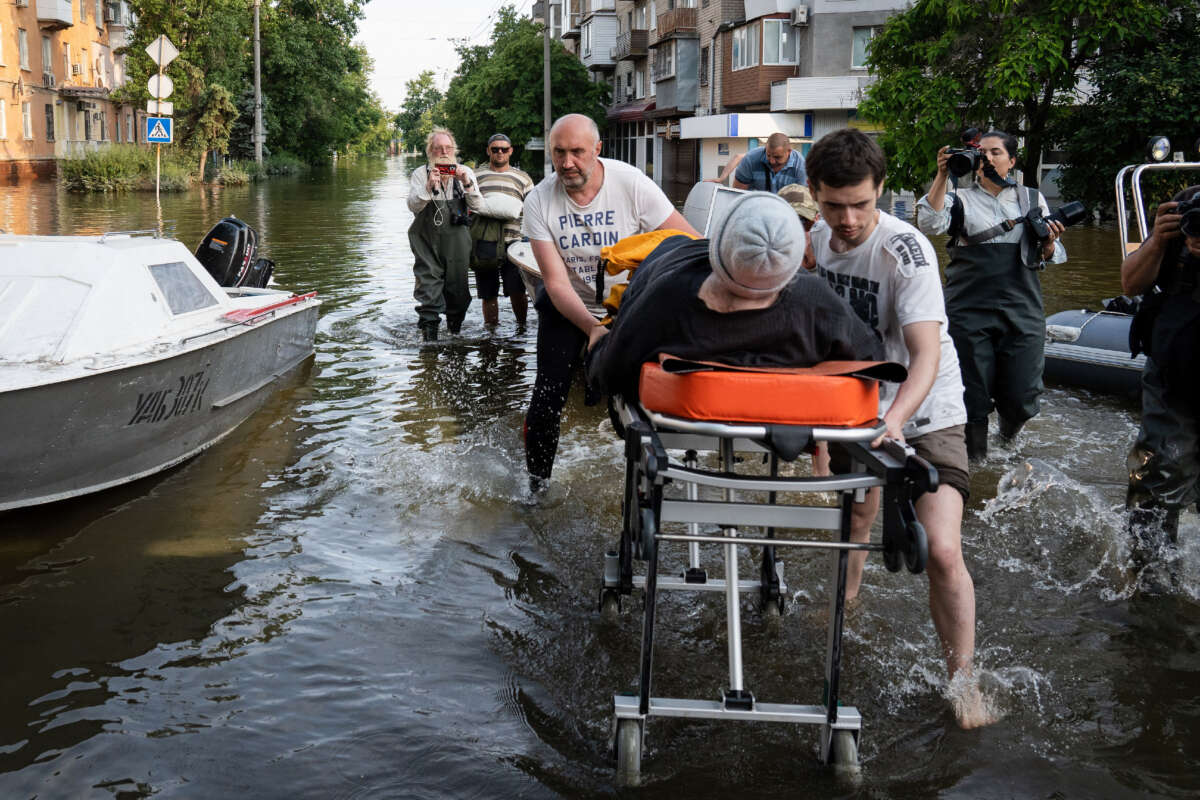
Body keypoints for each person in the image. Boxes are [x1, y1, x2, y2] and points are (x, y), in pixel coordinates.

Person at [806, 128, 993, 729]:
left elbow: (927, 355)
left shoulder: (906, 250)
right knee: (855, 516)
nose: (849, 220)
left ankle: (964, 683)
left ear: (881, 192)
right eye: (834, 206)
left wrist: (895, 421)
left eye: (861, 204)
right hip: (854, 406)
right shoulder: (812, 240)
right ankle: (849, 603)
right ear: (815, 195)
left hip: (928, 407)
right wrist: (817, 430)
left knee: (940, 549)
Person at [522, 113, 699, 489]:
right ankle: (537, 486)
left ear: (597, 150)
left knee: (645, 397)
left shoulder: (631, 184)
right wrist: (592, 328)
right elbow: (554, 282)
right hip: (569, 305)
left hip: (631, 304)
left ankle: (658, 478)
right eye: (559, 153)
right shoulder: (539, 199)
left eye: (577, 152)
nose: (567, 163)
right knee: (547, 398)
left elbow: (690, 243)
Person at [586, 191, 884, 398]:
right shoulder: (817, 302)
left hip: (677, 255)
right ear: (792, 268)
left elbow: (610, 374)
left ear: (719, 245)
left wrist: (597, 345)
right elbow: (870, 356)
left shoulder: (666, 298)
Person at [917, 130, 1067, 460]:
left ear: (1011, 161)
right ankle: (976, 466)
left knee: (1023, 395)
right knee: (971, 394)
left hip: (1022, 307)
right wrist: (942, 175)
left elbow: (1052, 255)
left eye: (995, 152)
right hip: (969, 309)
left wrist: (1050, 243)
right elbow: (930, 223)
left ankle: (1008, 436)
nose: (986, 158)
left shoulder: (1031, 199)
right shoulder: (959, 199)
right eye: (981, 152)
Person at [1122, 185, 1200, 558]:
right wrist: (1156, 240)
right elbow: (1130, 282)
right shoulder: (1186, 207)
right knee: (1157, 477)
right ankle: (1148, 584)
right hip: (1174, 373)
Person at [407, 127, 483, 341]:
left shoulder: (465, 172)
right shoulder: (420, 173)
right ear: (430, 150)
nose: (443, 151)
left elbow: (478, 206)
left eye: (448, 148)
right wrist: (429, 188)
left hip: (457, 243)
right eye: (438, 148)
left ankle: (454, 336)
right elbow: (413, 206)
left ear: (454, 150)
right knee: (428, 289)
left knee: (458, 292)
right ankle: (429, 344)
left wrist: (466, 182)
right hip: (427, 242)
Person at [471, 133, 534, 327]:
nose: (500, 153)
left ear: (511, 151)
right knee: (488, 293)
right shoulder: (475, 176)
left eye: (504, 149)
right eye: (495, 149)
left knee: (517, 290)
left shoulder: (522, 178)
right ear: (488, 151)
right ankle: (491, 334)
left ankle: (521, 329)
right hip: (484, 242)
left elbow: (532, 210)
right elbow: (468, 204)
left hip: (514, 244)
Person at [732, 132, 807, 192]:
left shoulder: (800, 166)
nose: (772, 161)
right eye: (768, 155)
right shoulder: (750, 160)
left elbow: (803, 202)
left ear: (789, 151)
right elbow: (738, 194)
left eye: (777, 157)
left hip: (787, 208)